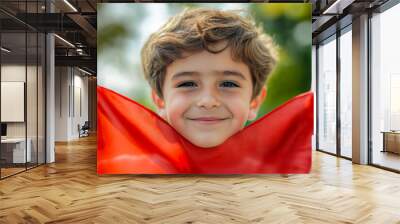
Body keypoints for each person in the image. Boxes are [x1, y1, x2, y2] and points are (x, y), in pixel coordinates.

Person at [140, 8, 278, 148]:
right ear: (160, 100)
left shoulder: (284, 167)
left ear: (254, 102)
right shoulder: (131, 167)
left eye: (228, 84)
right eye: (188, 83)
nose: (208, 101)